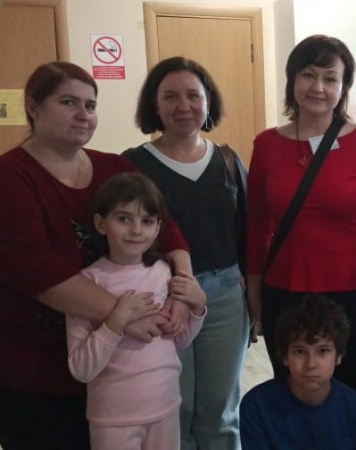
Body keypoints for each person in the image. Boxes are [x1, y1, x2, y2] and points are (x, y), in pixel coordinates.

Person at [0, 61, 204, 449]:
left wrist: (181, 289)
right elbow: (37, 271)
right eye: (68, 102)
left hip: (106, 364)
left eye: (90, 105)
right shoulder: (3, 176)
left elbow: (166, 227)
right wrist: (126, 317)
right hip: (24, 360)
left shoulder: (112, 167)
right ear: (33, 107)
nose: (83, 114)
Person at [246, 34, 356, 402]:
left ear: (343, 87)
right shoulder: (266, 145)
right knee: (292, 398)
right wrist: (253, 293)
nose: (318, 87)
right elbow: (256, 227)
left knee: (352, 398)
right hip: (286, 292)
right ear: (292, 79)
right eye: (308, 74)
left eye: (330, 78)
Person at [123, 56, 250, 449]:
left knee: (220, 410)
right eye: (171, 96)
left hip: (225, 298)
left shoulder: (227, 160)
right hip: (162, 298)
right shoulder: (133, 164)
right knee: (175, 407)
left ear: (208, 101)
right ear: (154, 104)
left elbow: (247, 230)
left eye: (193, 95)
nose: (184, 106)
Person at [67, 173, 207, 450]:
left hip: (166, 407)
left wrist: (198, 307)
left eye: (147, 221)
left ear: (158, 228)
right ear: (100, 223)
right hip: (112, 418)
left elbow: (179, 341)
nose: (136, 230)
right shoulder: (86, 284)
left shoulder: (164, 272)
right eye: (124, 218)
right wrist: (116, 321)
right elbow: (81, 369)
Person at [239, 295, 356, 450]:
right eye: (300, 351)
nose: (311, 364)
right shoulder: (257, 406)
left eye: (323, 351)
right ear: (285, 356)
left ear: (338, 356)